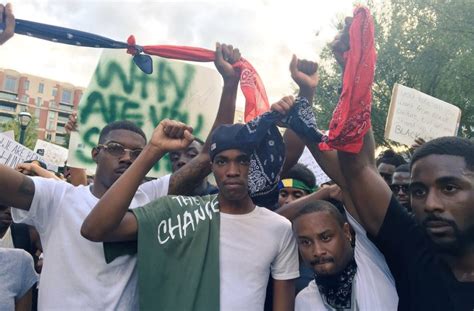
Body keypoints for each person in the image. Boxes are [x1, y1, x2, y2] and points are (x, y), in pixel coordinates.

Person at [0, 41, 242, 309]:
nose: (127, 157)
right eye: (116, 149)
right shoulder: (57, 197)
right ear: (95, 154)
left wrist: (231, 83)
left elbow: (209, 156)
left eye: (137, 153)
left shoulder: (152, 198)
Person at [81, 118, 299, 311]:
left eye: (243, 160)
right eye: (222, 161)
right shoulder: (178, 212)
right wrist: (152, 150)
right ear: (211, 166)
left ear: (255, 165)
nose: (232, 171)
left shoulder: (278, 228)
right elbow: (94, 228)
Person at [332, 18, 474, 310]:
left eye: (449, 187)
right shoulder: (413, 248)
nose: (431, 204)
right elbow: (359, 168)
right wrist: (354, 70)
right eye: (418, 191)